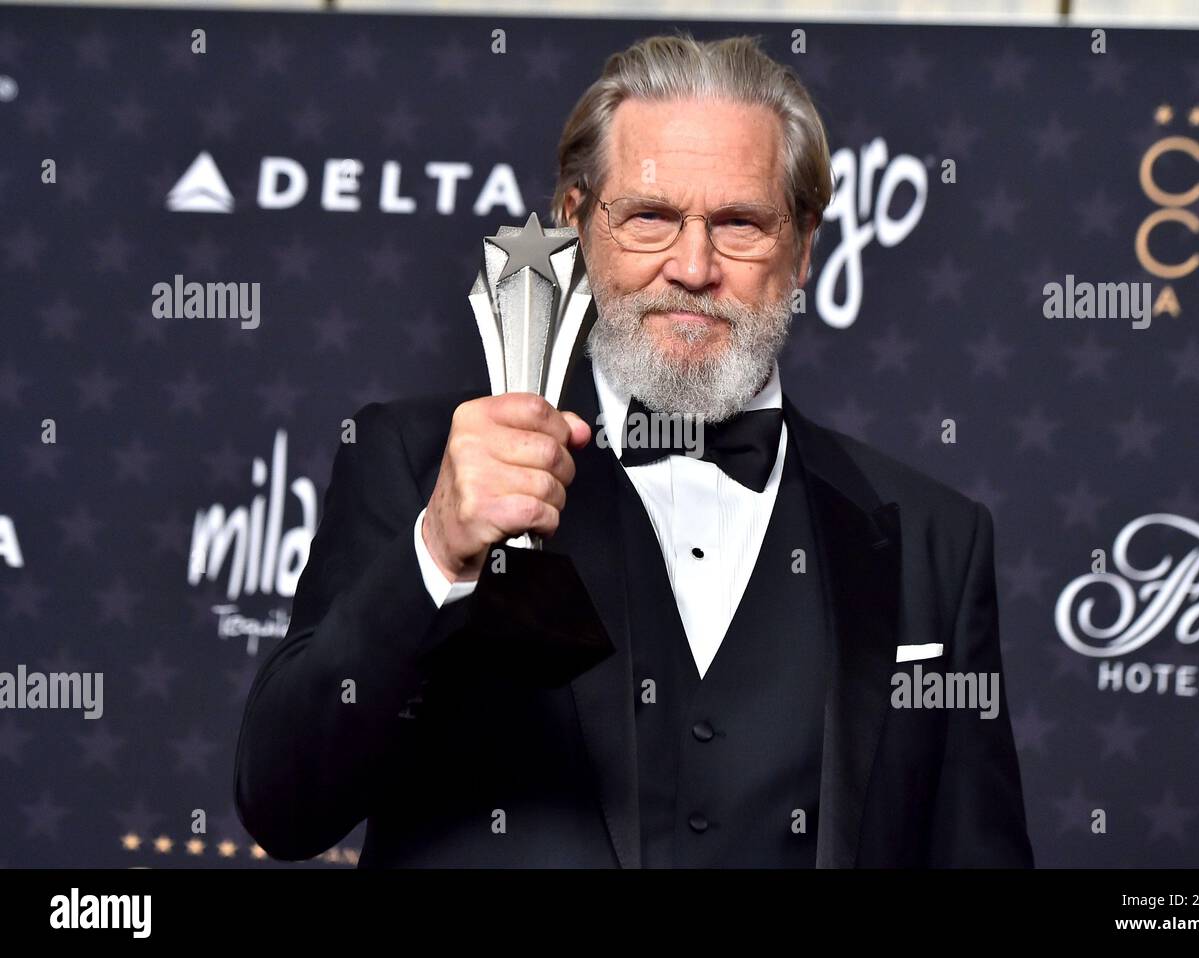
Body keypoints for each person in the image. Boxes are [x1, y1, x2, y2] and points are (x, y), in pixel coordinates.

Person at [234, 33, 1033, 868]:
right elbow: (283, 806)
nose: (692, 267)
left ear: (802, 248)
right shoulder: (416, 462)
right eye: (651, 217)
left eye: (740, 224)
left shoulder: (933, 542)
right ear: (578, 224)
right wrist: (434, 557)